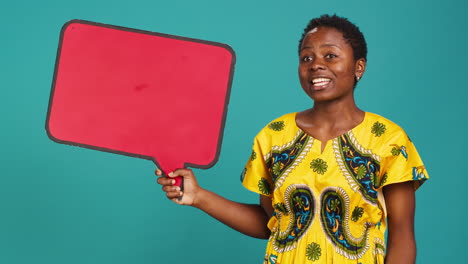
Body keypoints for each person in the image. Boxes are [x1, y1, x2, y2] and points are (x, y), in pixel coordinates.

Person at [156, 14, 428, 264]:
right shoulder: (274, 135)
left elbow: (402, 236)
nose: (316, 65)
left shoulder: (389, 139)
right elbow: (269, 222)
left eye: (330, 55)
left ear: (359, 67)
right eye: (306, 58)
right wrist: (198, 196)